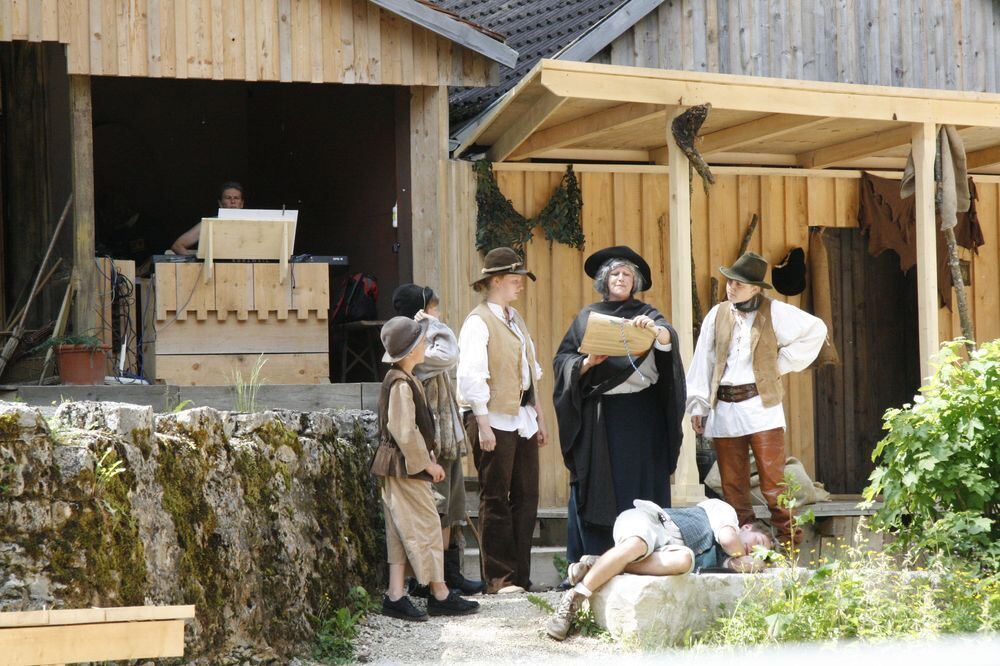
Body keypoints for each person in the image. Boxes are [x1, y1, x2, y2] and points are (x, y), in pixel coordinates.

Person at [553, 246, 686, 567]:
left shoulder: (648, 314)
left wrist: (656, 331)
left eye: (627, 274)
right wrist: (587, 363)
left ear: (635, 281)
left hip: (642, 417)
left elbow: (668, 339)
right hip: (601, 419)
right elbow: (562, 361)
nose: (621, 278)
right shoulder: (587, 317)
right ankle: (594, 559)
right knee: (598, 487)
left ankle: (643, 556)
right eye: (615, 273)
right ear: (604, 280)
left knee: (640, 486)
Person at [686, 252, 827, 547]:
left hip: (761, 407)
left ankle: (789, 547)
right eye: (730, 281)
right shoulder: (717, 314)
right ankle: (746, 547)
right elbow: (703, 360)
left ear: (755, 288)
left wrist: (780, 363)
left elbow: (816, 330)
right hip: (724, 408)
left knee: (774, 484)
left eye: (739, 283)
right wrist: (698, 405)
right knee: (733, 487)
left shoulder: (775, 311)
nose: (731, 287)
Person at [371, 316, 480, 621]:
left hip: (398, 467)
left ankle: (395, 594)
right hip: (405, 468)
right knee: (428, 526)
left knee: (399, 531)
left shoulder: (405, 378)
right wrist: (428, 466)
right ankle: (440, 594)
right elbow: (404, 431)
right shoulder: (401, 383)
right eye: (420, 341)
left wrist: (427, 460)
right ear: (408, 352)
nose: (425, 344)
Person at [546, 497, 773, 641]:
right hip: (649, 521)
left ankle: (599, 564)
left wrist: (744, 564)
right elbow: (727, 540)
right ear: (747, 526)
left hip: (666, 553)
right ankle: (575, 597)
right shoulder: (725, 513)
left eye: (757, 555)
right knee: (637, 544)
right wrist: (748, 560)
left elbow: (732, 560)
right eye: (759, 544)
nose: (753, 553)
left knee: (685, 560)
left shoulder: (728, 561)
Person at [457, 247, 548, 594]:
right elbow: (470, 379)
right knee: (495, 497)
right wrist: (482, 425)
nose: (520, 286)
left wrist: (539, 418)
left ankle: (520, 576)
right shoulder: (478, 322)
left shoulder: (515, 319)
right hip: (491, 418)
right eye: (514, 280)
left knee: (526, 496)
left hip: (521, 417)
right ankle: (499, 578)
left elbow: (531, 372)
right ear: (495, 282)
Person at [391, 283, 486, 595]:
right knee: (438, 512)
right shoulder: (416, 353)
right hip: (431, 445)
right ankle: (432, 583)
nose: (439, 314)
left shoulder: (423, 346)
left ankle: (449, 574)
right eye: (433, 308)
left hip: (447, 440)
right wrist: (430, 324)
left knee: (453, 511)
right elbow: (450, 355)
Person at [169, 181, 245, 255]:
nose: (232, 201)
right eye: (228, 198)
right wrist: (196, 264)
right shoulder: (209, 223)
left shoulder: (255, 223)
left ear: (241, 204)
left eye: (236, 198)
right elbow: (177, 246)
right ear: (220, 203)